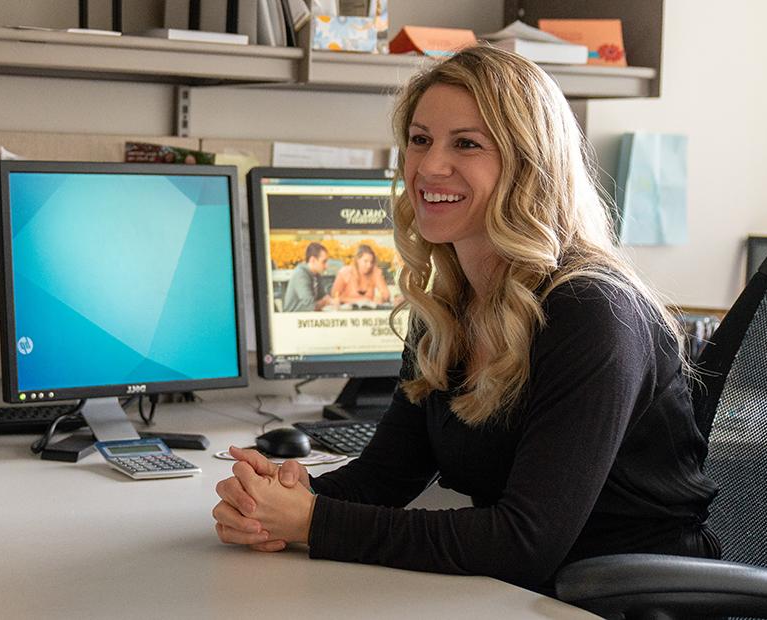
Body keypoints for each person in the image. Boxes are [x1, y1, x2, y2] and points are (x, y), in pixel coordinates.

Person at [212, 46, 720, 591]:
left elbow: (524, 541)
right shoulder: (446, 306)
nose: (429, 166)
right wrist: (283, 499)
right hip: (521, 595)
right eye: (420, 139)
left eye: (467, 144)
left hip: (627, 598)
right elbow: (388, 474)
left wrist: (314, 524)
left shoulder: (590, 312)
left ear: (530, 164)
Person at [280, 242, 334, 312]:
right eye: (323, 262)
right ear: (313, 260)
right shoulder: (301, 275)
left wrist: (330, 300)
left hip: (307, 317)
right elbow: (310, 306)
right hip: (293, 318)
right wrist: (325, 301)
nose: (326, 266)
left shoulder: (317, 274)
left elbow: (322, 296)